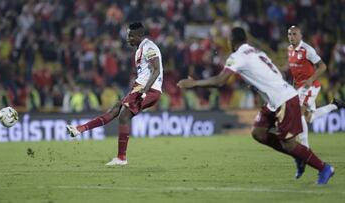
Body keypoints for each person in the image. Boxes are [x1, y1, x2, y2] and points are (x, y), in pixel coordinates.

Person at [177, 27, 334, 185]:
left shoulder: (237, 56)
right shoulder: (257, 51)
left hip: (283, 100)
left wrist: (194, 83)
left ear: (231, 41)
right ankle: (298, 155)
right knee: (258, 132)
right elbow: (277, 74)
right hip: (275, 99)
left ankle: (324, 168)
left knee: (290, 144)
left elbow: (220, 81)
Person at [66, 22, 163, 166]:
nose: (128, 38)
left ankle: (121, 158)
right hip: (140, 87)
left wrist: (145, 89)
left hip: (148, 89)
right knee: (116, 109)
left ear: (139, 35)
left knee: (123, 115)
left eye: (131, 36)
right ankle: (79, 129)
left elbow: (156, 69)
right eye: (128, 35)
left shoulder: (149, 47)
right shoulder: (140, 48)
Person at [287, 25, 345, 179]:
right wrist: (293, 88)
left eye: (294, 34)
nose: (291, 36)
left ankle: (304, 152)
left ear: (300, 35)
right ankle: (335, 105)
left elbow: (323, 66)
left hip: (312, 86)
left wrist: (311, 79)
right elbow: (295, 72)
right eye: (289, 34)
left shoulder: (308, 50)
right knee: (309, 118)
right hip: (299, 88)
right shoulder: (289, 50)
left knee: (299, 113)